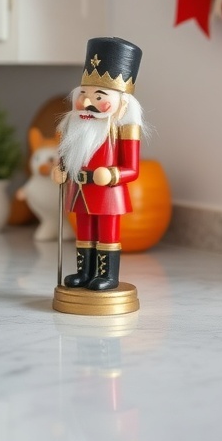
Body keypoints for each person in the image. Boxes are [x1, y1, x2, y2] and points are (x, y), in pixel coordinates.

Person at [52, 37, 143, 291]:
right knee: (84, 234)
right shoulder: (74, 125)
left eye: (98, 96)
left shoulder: (124, 129)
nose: (87, 102)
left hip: (107, 194)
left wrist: (112, 175)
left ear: (122, 104)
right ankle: (84, 271)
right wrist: (60, 170)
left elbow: (133, 169)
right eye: (83, 94)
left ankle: (107, 275)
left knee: (107, 234)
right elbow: (66, 155)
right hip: (80, 190)